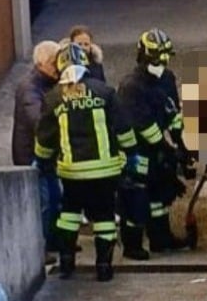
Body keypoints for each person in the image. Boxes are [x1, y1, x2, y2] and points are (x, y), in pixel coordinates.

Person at [33, 43, 139, 281]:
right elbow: (123, 128)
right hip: (105, 171)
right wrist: (132, 154)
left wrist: (41, 160)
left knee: (69, 215)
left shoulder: (54, 97)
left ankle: (67, 263)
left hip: (72, 173)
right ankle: (104, 267)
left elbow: (45, 138)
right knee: (104, 216)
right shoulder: (105, 92)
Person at [116, 28, 193, 259]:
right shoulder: (131, 86)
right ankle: (132, 245)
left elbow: (173, 113)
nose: (162, 62)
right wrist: (168, 149)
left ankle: (161, 239)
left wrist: (182, 145)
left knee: (159, 195)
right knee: (136, 196)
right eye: (158, 57)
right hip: (135, 150)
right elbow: (143, 125)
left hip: (157, 148)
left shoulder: (167, 79)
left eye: (166, 57)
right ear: (143, 56)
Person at [13, 40, 62, 260]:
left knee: (54, 198)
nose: (58, 67)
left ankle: (54, 242)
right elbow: (38, 121)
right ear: (41, 63)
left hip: (47, 155)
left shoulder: (48, 85)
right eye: (54, 62)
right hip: (32, 156)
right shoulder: (30, 88)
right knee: (42, 203)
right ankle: (40, 250)